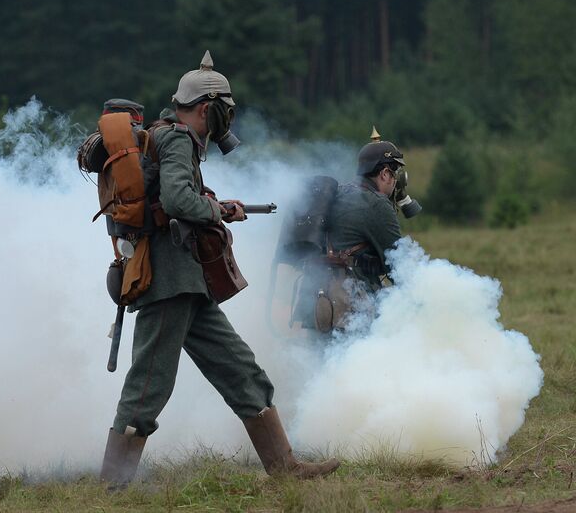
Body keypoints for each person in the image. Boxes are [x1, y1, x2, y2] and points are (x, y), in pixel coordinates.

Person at [99, 51, 340, 484]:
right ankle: (111, 486)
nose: (224, 124)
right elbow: (175, 201)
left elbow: (175, 201)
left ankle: (284, 468)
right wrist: (215, 210)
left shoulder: (166, 137)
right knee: (149, 385)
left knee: (242, 371)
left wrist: (214, 206)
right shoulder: (176, 138)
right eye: (223, 114)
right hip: (170, 281)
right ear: (209, 109)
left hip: (188, 283)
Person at [326, 129, 405, 289]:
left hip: (314, 295)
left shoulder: (339, 192)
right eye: (394, 173)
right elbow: (402, 269)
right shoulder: (376, 204)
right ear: (384, 174)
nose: (396, 179)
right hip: (353, 302)